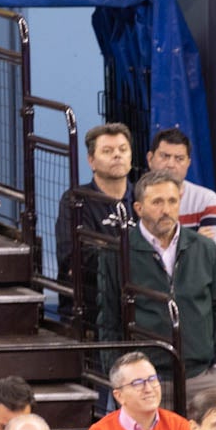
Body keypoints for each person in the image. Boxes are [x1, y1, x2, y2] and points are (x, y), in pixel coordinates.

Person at [100, 169, 216, 404]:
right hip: (144, 381)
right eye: (157, 202)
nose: (166, 209)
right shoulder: (117, 252)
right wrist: (118, 372)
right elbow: (108, 317)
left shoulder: (204, 248)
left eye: (172, 201)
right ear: (139, 208)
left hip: (203, 377)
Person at [55, 122, 134, 319]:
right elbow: (76, 258)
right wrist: (134, 255)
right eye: (107, 151)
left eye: (123, 149)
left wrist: (105, 247)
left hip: (139, 305)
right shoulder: (75, 200)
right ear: (91, 161)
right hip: (92, 308)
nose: (117, 155)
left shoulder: (146, 197)